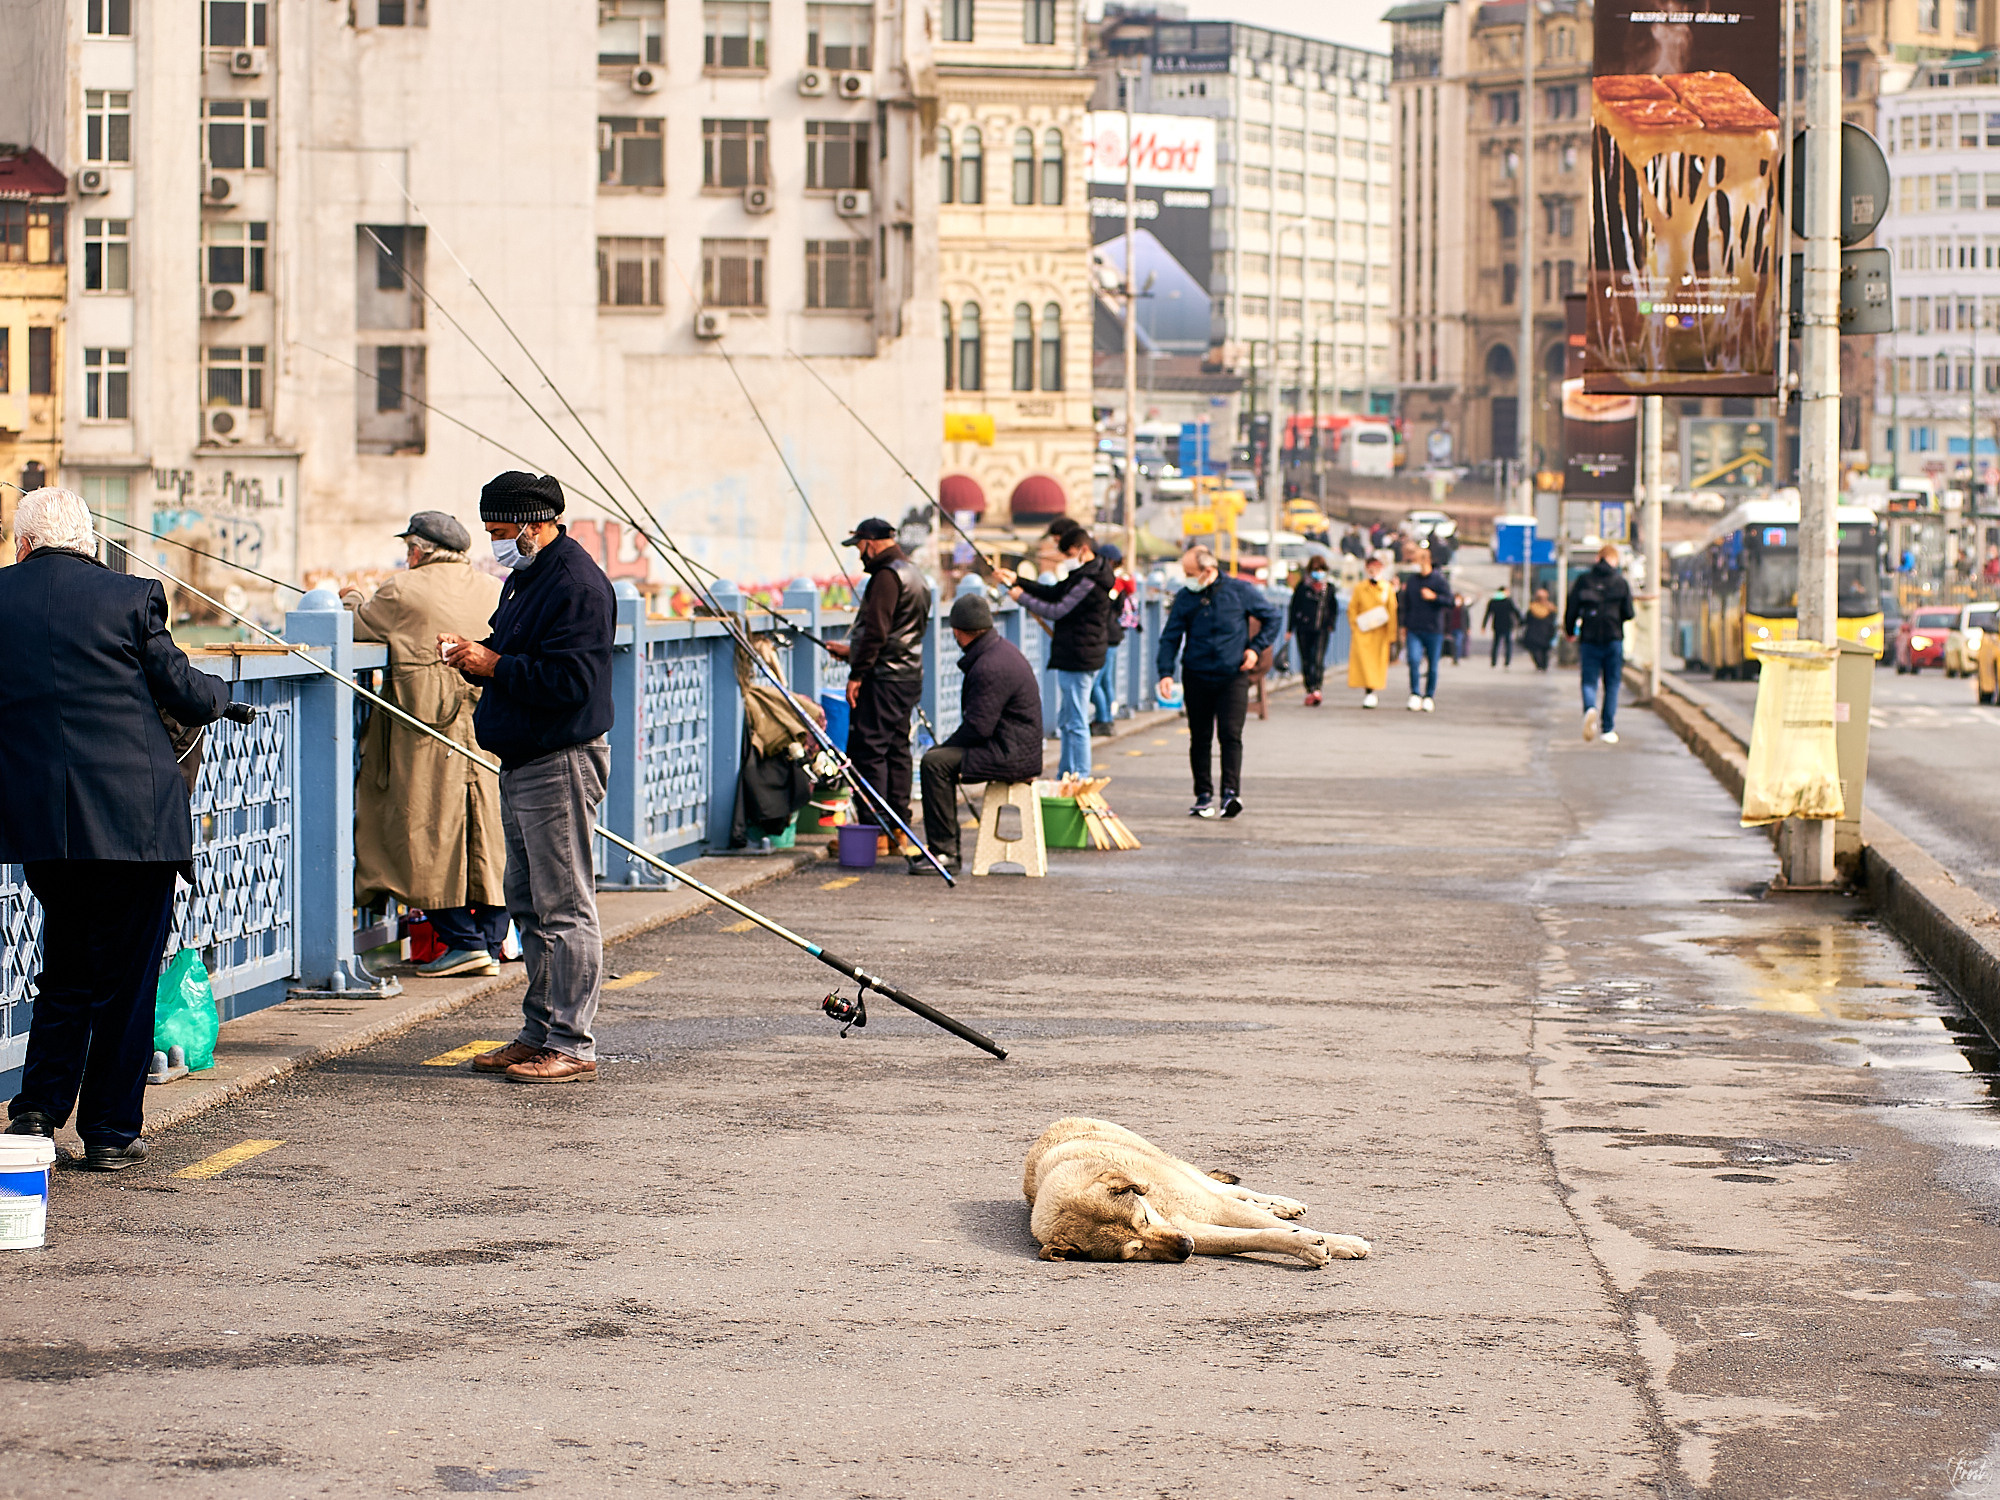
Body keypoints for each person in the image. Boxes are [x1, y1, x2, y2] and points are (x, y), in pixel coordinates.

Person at [0, 489, 249, 1168]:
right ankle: (109, 1132)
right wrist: (225, 695)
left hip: (45, 823)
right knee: (128, 979)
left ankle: (36, 1110)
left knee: (66, 965)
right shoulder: (131, 597)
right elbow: (185, 692)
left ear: (24, 545)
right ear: (88, 542)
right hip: (135, 824)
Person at [440, 472, 616, 1084]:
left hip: (560, 760)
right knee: (529, 903)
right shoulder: (528, 576)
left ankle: (572, 1043)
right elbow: (513, 651)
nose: (495, 542)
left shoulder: (576, 584)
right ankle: (538, 1033)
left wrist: (495, 665)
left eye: (500, 531)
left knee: (565, 907)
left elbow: (572, 683)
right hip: (522, 760)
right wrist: (475, 656)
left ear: (535, 526)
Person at [342, 512, 508, 978]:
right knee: (489, 836)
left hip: (425, 739)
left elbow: (357, 625)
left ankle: (464, 942)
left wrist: (351, 597)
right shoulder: (493, 589)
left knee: (421, 835)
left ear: (416, 551)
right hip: (488, 734)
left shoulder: (401, 591)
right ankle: (489, 941)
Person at [914, 594, 1045, 874]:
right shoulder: (999, 652)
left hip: (1011, 754)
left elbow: (978, 727)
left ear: (957, 631)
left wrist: (943, 749)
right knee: (940, 758)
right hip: (1015, 747)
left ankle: (944, 852)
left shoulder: (989, 666)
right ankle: (944, 848)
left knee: (935, 763)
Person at [1156, 545, 1283, 819]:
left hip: (1232, 674)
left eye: (1190, 573)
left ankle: (1230, 793)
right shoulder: (1185, 597)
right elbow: (1170, 637)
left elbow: (1273, 617)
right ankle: (1203, 795)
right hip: (1196, 673)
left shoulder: (1240, 591)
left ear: (1208, 570)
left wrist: (1255, 648)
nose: (1187, 579)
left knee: (1230, 734)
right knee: (1200, 737)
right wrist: (1165, 672)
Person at [824, 517, 929, 843]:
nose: (859, 555)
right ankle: (899, 828)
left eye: (859, 547)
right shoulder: (914, 574)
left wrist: (857, 673)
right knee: (897, 750)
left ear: (869, 543)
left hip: (882, 680)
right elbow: (901, 634)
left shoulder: (886, 577)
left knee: (868, 751)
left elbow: (877, 632)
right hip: (907, 677)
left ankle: (875, 829)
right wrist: (852, 653)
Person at [1003, 523, 1114, 777]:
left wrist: (1022, 598)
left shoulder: (1089, 580)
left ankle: (1080, 776)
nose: (1065, 559)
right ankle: (1066, 772)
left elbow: (1056, 610)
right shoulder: (1089, 573)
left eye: (1068, 553)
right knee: (1067, 720)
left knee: (1076, 722)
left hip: (1079, 657)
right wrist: (1017, 580)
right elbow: (1054, 592)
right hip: (1081, 654)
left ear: (1082, 549)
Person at [1565, 543, 1636, 744]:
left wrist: (1569, 631)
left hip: (1589, 638)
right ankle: (1608, 728)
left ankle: (1590, 708)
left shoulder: (1584, 581)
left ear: (1598, 559)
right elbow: (1629, 613)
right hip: (1613, 638)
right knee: (1612, 683)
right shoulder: (1620, 582)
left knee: (1589, 681)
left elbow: (1572, 608)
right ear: (1614, 560)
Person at [1400, 548, 1452, 712]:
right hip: (1414, 628)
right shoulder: (1412, 581)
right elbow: (1405, 605)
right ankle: (1415, 693)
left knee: (1433, 665)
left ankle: (1429, 696)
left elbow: (1450, 601)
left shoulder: (1439, 580)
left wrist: (1434, 597)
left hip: (1434, 629)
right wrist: (1403, 626)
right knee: (1414, 660)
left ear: (1425, 561)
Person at [1088, 542, 1132, 735]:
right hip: (1112, 635)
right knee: (1105, 680)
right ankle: (1107, 718)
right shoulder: (1118, 582)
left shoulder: (1110, 582)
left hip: (1106, 636)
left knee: (1095, 682)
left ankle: (1104, 719)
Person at [1346, 553, 1398, 708]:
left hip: (1380, 633)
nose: (1373, 570)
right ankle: (1368, 691)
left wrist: (1391, 634)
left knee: (1376, 664)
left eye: (1376, 567)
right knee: (1364, 664)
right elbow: (1352, 608)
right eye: (1371, 567)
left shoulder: (1387, 588)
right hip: (1363, 631)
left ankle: (1372, 690)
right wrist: (1355, 625)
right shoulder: (1360, 588)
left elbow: (1392, 612)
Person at [1288, 555, 1339, 706]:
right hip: (1303, 628)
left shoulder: (1329, 588)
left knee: (1317, 658)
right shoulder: (1302, 587)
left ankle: (1317, 688)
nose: (1318, 573)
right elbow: (1293, 608)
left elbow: (1333, 608)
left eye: (1321, 569)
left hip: (1322, 629)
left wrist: (1331, 624)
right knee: (1306, 659)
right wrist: (1290, 629)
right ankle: (1309, 688)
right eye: (1315, 570)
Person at [1522, 586, 1558, 671]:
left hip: (1533, 634)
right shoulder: (1551, 609)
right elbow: (1553, 622)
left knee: (1536, 651)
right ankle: (1543, 665)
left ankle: (1540, 665)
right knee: (1545, 652)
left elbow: (1526, 620)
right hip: (1546, 634)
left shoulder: (1532, 608)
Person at [1483, 587, 1520, 669]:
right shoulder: (1508, 601)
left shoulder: (1493, 601)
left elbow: (1488, 614)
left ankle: (1494, 662)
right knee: (1507, 644)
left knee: (1496, 644)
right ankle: (1507, 662)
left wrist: (1484, 626)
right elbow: (1516, 611)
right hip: (1507, 625)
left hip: (1497, 625)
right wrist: (1521, 621)